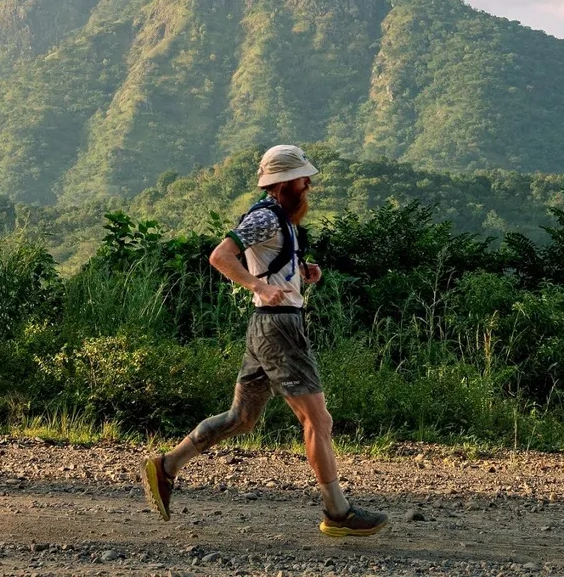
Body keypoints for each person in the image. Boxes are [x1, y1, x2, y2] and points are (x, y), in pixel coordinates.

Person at [141, 145, 388, 537]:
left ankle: (167, 466)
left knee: (242, 419)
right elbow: (220, 256)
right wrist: (257, 285)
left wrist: (299, 272)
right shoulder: (265, 217)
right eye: (303, 178)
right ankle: (337, 511)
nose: (309, 184)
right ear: (284, 182)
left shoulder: (281, 219)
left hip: (268, 327)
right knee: (317, 419)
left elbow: (266, 261)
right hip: (279, 329)